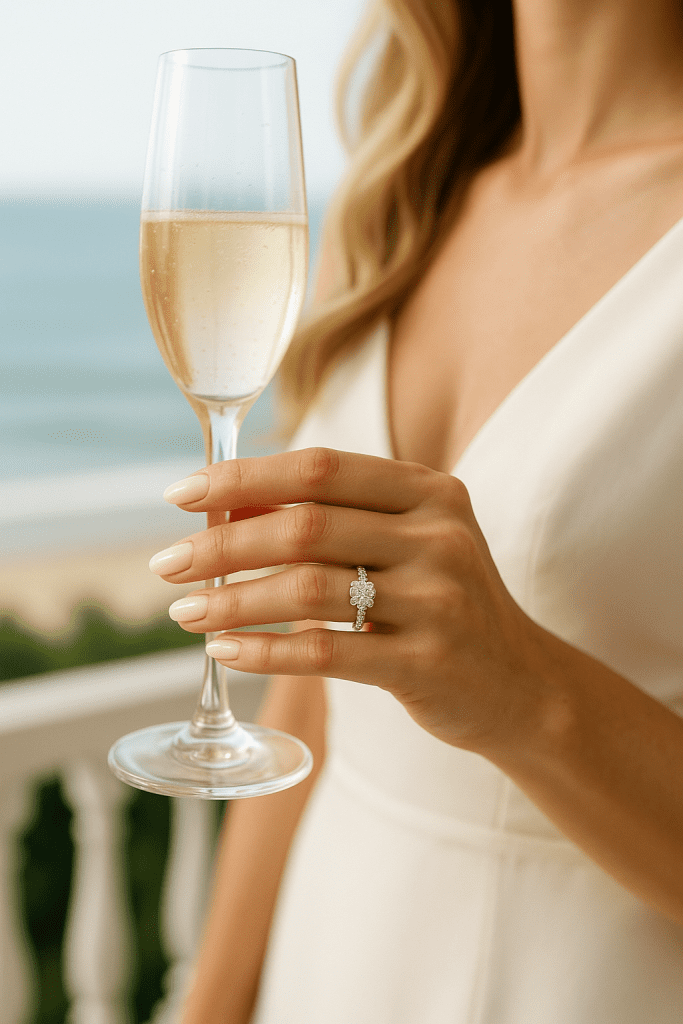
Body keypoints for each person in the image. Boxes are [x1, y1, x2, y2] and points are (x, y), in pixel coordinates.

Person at [152, 0, 683, 1020]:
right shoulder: (406, 197)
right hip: (327, 954)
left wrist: (525, 690)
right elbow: (315, 691)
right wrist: (212, 1001)